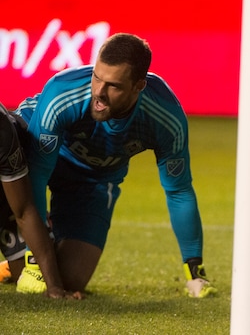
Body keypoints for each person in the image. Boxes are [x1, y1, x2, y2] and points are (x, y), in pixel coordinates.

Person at [14, 33, 215, 297]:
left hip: (95, 178)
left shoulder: (166, 118)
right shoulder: (63, 92)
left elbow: (178, 190)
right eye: (96, 77)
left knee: (71, 278)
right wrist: (34, 258)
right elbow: (38, 174)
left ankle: (11, 262)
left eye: (113, 86)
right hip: (35, 150)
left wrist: (194, 271)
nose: (99, 92)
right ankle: (19, 252)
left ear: (138, 86)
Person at [0, 102, 78, 299]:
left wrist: (55, 288)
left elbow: (24, 210)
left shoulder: (3, 133)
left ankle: (9, 266)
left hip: (6, 190)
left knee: (39, 279)